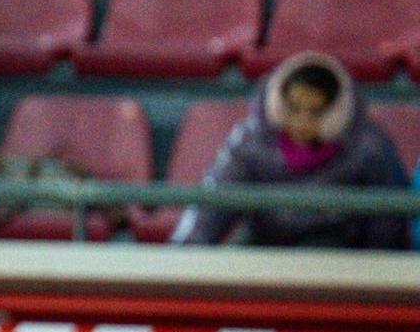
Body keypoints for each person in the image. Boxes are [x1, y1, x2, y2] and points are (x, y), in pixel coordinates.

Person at [171, 51, 410, 248]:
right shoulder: (249, 143)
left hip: (341, 253)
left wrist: (377, 271)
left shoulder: (369, 148)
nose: (302, 122)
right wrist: (181, 260)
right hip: (266, 242)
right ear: (278, 104)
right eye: (293, 108)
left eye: (316, 111)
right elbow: (214, 203)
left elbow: (388, 223)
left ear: (337, 110)